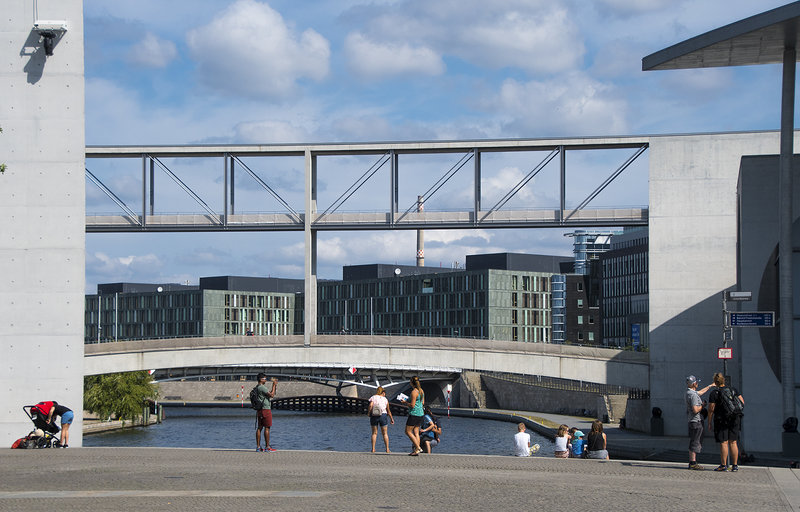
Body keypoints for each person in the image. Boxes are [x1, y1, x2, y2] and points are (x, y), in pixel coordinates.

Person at [707, 372, 745, 471]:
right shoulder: (733, 390)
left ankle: (723, 465)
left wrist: (709, 422)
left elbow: (711, 409)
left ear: (715, 382)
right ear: (724, 380)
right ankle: (735, 466)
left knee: (724, 443)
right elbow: (742, 402)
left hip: (721, 420)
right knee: (733, 442)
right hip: (735, 418)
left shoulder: (714, 393)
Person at [685, 374, 713, 470]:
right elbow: (695, 409)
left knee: (694, 440)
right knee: (695, 441)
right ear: (694, 384)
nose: (697, 384)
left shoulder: (689, 392)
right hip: (696, 421)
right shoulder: (692, 395)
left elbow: (700, 392)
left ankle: (692, 462)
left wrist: (710, 386)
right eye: (696, 382)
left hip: (693, 420)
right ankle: (693, 463)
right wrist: (703, 405)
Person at [401, 376, 425, 456]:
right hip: (421, 413)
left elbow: (412, 405)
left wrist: (405, 402)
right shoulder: (421, 391)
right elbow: (423, 403)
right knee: (416, 432)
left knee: (407, 431)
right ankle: (416, 450)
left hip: (414, 414)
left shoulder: (414, 392)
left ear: (412, 383)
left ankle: (418, 447)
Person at [254, 373, 278, 452]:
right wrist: (274, 385)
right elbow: (272, 395)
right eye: (264, 379)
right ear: (261, 379)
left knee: (259, 427)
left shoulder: (257, 387)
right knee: (267, 427)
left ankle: (258, 447)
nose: (266, 380)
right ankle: (267, 447)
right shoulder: (262, 387)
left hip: (260, 410)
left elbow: (268, 394)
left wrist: (273, 388)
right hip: (265, 409)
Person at [367, 386, 394, 452]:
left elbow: (370, 405)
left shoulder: (373, 397)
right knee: (385, 433)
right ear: (383, 392)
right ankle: (387, 449)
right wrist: (391, 418)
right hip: (383, 415)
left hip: (374, 415)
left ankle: (373, 449)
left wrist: (369, 413)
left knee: (374, 433)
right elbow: (388, 410)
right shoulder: (385, 399)